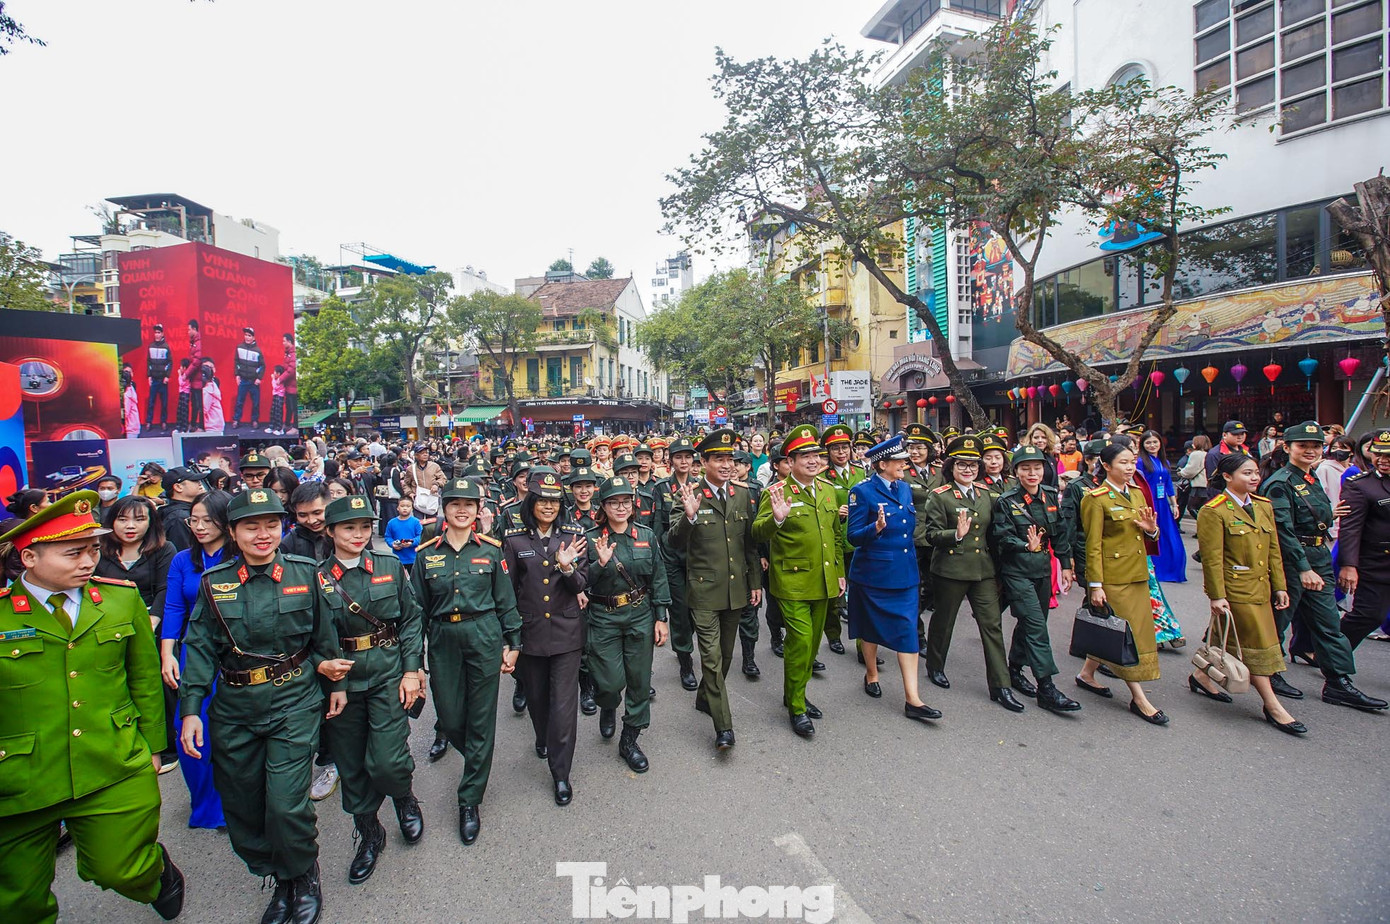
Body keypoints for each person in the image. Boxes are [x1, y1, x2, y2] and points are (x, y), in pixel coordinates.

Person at [0, 491, 186, 923]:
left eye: (91, 550)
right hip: (20, 777)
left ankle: (159, 874)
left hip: (112, 759)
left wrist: (154, 747)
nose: (89, 561)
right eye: (74, 553)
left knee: (121, 868)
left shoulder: (120, 601)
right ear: (29, 558)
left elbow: (143, 678)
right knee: (17, 899)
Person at [179, 488, 344, 923]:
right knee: (244, 808)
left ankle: (303, 875)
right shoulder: (214, 585)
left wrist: (334, 681)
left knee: (286, 804)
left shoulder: (304, 573)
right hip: (234, 709)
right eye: (251, 526)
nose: (263, 534)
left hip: (294, 699)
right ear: (232, 532)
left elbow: (323, 637)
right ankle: (278, 876)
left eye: (271, 524)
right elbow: (198, 648)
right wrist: (191, 708)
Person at [317, 494, 425, 884]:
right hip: (340, 687)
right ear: (330, 531)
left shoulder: (389, 566)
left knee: (387, 760)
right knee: (351, 764)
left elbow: (412, 620)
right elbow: (313, 639)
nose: (358, 535)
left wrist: (411, 670)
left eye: (364, 527)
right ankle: (368, 833)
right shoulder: (315, 578)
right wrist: (333, 677)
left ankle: (404, 798)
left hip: (386, 674)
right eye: (349, 527)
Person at [410, 478, 521, 845]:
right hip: (443, 640)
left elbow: (506, 602)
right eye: (455, 503)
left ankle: (469, 798)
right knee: (452, 716)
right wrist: (414, 662)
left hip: (484, 636)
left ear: (478, 511)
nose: (462, 510)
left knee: (482, 717)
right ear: (444, 508)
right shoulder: (426, 555)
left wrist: (513, 642)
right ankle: (476, 754)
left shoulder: (490, 551)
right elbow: (415, 614)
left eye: (468, 504)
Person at [1261, 422, 1384, 711]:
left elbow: (1313, 519)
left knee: (1329, 624)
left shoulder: (1311, 477)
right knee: (1278, 620)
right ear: (1288, 448)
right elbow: (1284, 531)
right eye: (1303, 446)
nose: (1310, 451)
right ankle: (1270, 673)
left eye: (1316, 446)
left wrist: (1329, 515)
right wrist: (1303, 569)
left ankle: (1338, 682)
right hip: (1292, 561)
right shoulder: (1280, 483)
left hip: (1318, 556)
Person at [1194, 454, 1306, 734]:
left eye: (1256, 472)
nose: (1254, 478)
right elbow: (1212, 558)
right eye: (1247, 473)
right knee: (1257, 646)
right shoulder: (1214, 510)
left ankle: (1200, 675)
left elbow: (1273, 551)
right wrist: (1216, 595)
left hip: (1262, 587)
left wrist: (1280, 585)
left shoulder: (1263, 506)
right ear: (1228, 477)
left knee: (1229, 638)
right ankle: (1272, 705)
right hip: (1236, 590)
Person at [667, 429, 761, 750]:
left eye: (729, 459)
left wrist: (755, 584)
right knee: (710, 657)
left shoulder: (742, 494)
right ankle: (724, 727)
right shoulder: (689, 496)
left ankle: (704, 698)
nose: (726, 465)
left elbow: (749, 546)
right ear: (702, 462)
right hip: (704, 592)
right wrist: (689, 518)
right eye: (718, 459)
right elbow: (674, 541)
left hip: (735, 591)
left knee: (725, 656)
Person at [502, 471, 588, 806]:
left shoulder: (573, 536)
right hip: (530, 633)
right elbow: (507, 592)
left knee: (564, 707)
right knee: (538, 700)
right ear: (531, 503)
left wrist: (567, 568)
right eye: (542, 500)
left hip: (567, 633)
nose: (549, 506)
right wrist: (508, 639)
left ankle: (561, 773)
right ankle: (542, 736)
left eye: (554, 501)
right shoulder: (514, 541)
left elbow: (581, 583)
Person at [754, 425, 845, 739]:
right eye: (803, 455)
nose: (812, 460)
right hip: (791, 580)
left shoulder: (828, 490)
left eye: (815, 455)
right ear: (788, 462)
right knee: (801, 641)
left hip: (823, 580)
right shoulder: (777, 492)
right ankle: (796, 706)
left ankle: (796, 692)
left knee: (812, 643)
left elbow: (833, 536)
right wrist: (776, 518)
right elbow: (757, 533)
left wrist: (840, 572)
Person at [845, 435, 941, 723]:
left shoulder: (905, 489)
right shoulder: (861, 492)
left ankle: (913, 698)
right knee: (870, 628)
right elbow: (853, 536)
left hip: (905, 574)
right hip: (874, 574)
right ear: (882, 464)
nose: (905, 464)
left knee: (907, 631)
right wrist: (874, 528)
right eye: (899, 461)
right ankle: (872, 674)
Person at [922, 435, 1020, 712]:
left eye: (973, 465)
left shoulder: (987, 494)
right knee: (944, 621)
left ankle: (1001, 686)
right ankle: (935, 664)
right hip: (950, 569)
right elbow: (931, 534)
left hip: (983, 570)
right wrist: (955, 533)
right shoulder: (939, 496)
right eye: (962, 465)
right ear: (951, 467)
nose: (968, 470)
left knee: (992, 625)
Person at [1075, 444, 1167, 725]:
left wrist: (1151, 529)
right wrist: (1096, 585)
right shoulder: (1096, 498)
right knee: (1128, 636)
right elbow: (1092, 546)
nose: (1130, 468)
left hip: (1137, 573)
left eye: (1132, 462)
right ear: (1106, 465)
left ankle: (1087, 673)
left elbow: (1149, 535)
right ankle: (1139, 698)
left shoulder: (1138, 493)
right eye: (1124, 462)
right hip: (1113, 577)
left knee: (1116, 631)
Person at [991, 446, 1083, 715]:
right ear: (1016, 472)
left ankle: (1015, 669)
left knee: (1033, 623)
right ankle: (1047, 687)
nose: (1032, 473)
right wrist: (1024, 545)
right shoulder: (1007, 501)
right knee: (1036, 627)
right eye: (1025, 468)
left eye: (1037, 468)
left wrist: (1066, 566)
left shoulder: (1051, 496)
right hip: (1017, 572)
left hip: (1043, 571)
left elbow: (1061, 535)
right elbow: (1002, 537)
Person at [160, 490, 232, 830]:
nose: (200, 527)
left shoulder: (239, 555)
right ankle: (206, 806)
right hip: (194, 649)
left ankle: (238, 801)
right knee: (189, 724)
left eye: (208, 520)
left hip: (234, 649)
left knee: (232, 729)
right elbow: (174, 606)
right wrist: (167, 652)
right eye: (194, 520)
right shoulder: (183, 560)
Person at [97, 495, 177, 767]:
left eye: (139, 519)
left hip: (152, 626)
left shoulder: (163, 550)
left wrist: (152, 620)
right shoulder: (98, 550)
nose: (130, 526)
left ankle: (166, 748)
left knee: (157, 685)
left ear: (151, 523)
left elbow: (167, 590)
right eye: (123, 519)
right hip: (109, 627)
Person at [651, 437, 701, 692]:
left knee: (699, 609)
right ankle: (685, 662)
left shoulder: (701, 486)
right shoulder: (661, 488)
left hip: (697, 558)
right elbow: (658, 526)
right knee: (680, 611)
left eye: (688, 456)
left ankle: (690, 646)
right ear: (670, 460)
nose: (684, 461)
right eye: (679, 457)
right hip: (672, 558)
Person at [1335, 429, 1390, 651]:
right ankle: (1332, 653)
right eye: (1378, 454)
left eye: (1389, 456)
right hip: (1376, 564)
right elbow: (1350, 528)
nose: (1383, 461)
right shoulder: (1360, 484)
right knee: (1368, 615)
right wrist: (1348, 565)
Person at [820, 424, 863, 656]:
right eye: (835, 448)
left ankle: (861, 643)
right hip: (835, 540)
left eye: (844, 447)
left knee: (859, 592)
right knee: (835, 593)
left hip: (859, 540)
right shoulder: (822, 477)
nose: (841, 452)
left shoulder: (861, 473)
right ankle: (834, 635)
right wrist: (837, 512)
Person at [1137, 431, 1186, 583]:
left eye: (1155, 442)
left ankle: (1172, 568)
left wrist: (1174, 503)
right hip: (1148, 503)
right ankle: (1156, 569)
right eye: (1148, 443)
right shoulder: (1140, 461)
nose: (1152, 445)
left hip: (1163, 503)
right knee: (1153, 536)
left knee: (1169, 536)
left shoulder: (1162, 461)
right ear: (1143, 445)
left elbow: (1168, 484)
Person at [159, 467, 208, 552]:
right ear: (178, 487)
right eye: (194, 481)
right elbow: (185, 553)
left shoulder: (184, 511)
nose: (199, 483)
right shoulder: (179, 518)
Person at [231, 327, 266, 430]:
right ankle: (236, 420)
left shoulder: (257, 351)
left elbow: (262, 366)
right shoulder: (239, 347)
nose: (247, 337)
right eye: (246, 335)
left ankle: (254, 420)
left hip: (253, 381)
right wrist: (237, 375)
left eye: (249, 335)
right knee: (239, 401)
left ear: (253, 337)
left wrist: (259, 378)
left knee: (255, 403)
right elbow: (236, 362)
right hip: (243, 380)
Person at [1178, 434, 1211, 524]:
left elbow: (1190, 470)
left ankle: (1205, 524)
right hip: (1206, 485)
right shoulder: (1208, 454)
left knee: (1191, 507)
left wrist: (1181, 472)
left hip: (1198, 485)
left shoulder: (1196, 454)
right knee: (1202, 508)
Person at [384, 497, 423, 573]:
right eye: (402, 506)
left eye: (408, 506)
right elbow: (388, 537)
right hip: (398, 558)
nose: (405, 508)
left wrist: (412, 542)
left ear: (412, 508)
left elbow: (421, 536)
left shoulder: (416, 522)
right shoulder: (391, 523)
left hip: (413, 557)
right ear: (398, 508)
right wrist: (392, 544)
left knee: (414, 580)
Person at [146, 323, 173, 429]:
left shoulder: (166, 347)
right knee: (151, 402)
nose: (156, 335)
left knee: (164, 403)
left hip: (163, 380)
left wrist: (167, 376)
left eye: (158, 332)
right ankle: (149, 422)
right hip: (154, 379)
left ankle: (163, 422)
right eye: (155, 332)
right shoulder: (151, 346)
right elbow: (148, 362)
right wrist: (149, 376)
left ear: (162, 334)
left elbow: (170, 362)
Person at [1025, 423, 1060, 488]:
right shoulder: (1024, 458)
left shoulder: (1051, 458)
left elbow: (1055, 482)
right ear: (1030, 439)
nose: (1040, 440)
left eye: (1044, 437)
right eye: (1036, 437)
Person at [201, 363, 225, 435]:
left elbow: (204, 409)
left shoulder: (207, 391)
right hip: (216, 423)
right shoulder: (212, 384)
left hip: (212, 426)